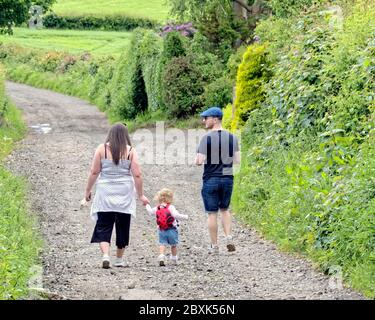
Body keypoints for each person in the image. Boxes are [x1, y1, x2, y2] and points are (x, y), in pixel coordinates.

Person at [85, 123, 149, 269]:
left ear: (110, 134)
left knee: (103, 225)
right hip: (124, 193)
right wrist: (141, 195)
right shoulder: (130, 151)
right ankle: (119, 260)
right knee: (123, 225)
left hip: (105, 191)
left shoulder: (101, 149)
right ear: (125, 135)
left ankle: (105, 255)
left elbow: (94, 172)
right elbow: (137, 174)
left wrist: (87, 191)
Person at [195, 106, 240, 254]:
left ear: (215, 119)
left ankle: (214, 246)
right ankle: (228, 237)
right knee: (225, 210)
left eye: (206, 118)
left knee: (212, 213)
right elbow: (237, 160)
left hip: (211, 178)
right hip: (227, 178)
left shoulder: (206, 138)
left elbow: (199, 161)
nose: (203, 121)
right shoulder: (233, 137)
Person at [145, 188, 188, 266]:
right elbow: (176, 215)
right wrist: (185, 217)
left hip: (162, 230)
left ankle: (161, 256)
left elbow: (150, 212)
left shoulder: (157, 207)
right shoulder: (171, 207)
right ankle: (174, 259)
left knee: (162, 244)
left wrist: (146, 204)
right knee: (174, 245)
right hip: (172, 229)